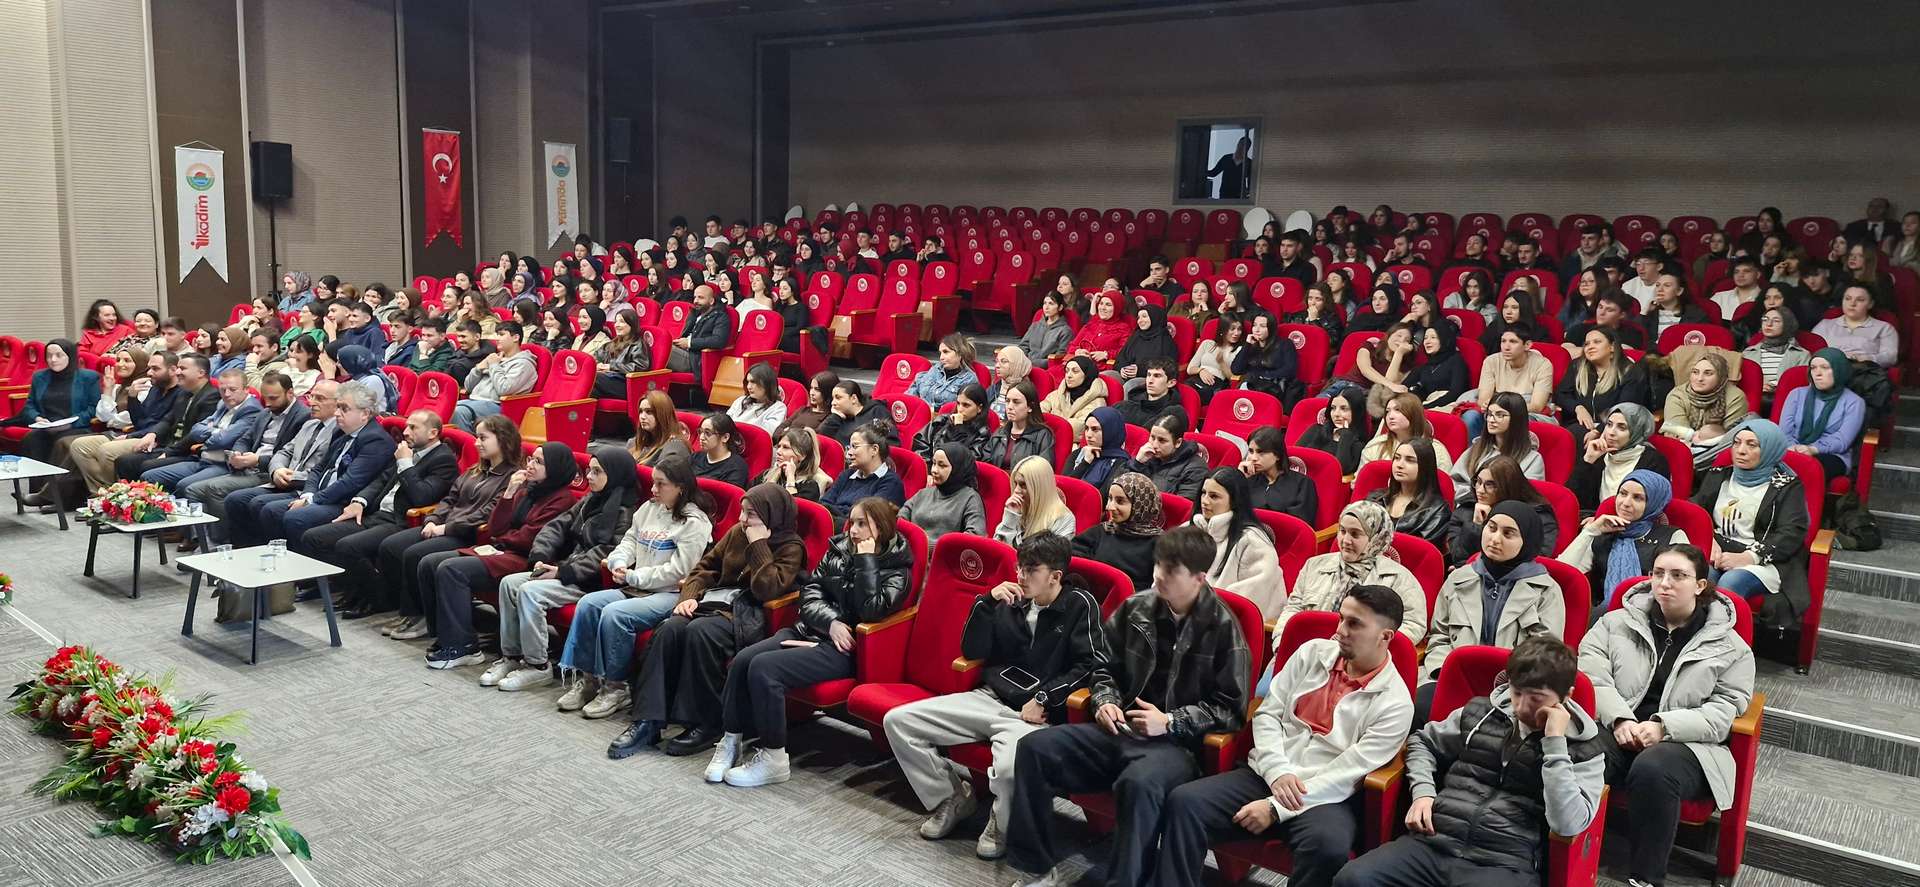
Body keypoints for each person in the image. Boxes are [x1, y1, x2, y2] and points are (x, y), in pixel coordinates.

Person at [1005, 526, 1252, 887]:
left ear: (1199, 578)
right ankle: (1037, 866)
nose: (1157, 576)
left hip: (1176, 748)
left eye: (1170, 571)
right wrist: (1104, 701)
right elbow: (1102, 666)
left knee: (1138, 784)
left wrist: (1169, 721)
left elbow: (1231, 709)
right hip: (1119, 730)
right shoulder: (1137, 607)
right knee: (1033, 748)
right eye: (1157, 566)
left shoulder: (1223, 628)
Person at [1156, 586, 1415, 887]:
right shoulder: (1312, 652)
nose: (1340, 631)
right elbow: (1267, 714)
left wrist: (1274, 809)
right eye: (1341, 618)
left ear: (1386, 637)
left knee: (1327, 846)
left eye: (1354, 624)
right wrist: (1277, 772)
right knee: (1184, 802)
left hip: (1325, 795)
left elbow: (1348, 772)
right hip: (1269, 770)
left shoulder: (1396, 703)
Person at [885, 530, 1106, 859]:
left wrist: (1045, 698)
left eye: (1031, 569)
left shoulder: (1078, 604)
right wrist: (986, 603)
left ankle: (1002, 824)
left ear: (1055, 576)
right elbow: (972, 649)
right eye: (1019, 567)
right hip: (988, 697)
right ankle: (952, 798)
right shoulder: (1008, 600)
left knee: (1007, 769)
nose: (1021, 576)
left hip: (1033, 716)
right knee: (898, 721)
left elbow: (1090, 665)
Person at [1335, 635, 1605, 887]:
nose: (1521, 707)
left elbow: (1568, 824)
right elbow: (1422, 742)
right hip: (1435, 841)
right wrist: (1423, 794)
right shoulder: (1480, 712)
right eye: (1517, 693)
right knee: (1353, 879)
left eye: (1536, 699)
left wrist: (1555, 742)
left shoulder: (1583, 748)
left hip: (1504, 862)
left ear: (1566, 696)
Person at [1578, 544, 1756, 887]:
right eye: (1658, 574)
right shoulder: (1614, 623)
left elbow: (1724, 711)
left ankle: (1645, 877)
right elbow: (1590, 675)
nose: (1665, 583)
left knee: (1654, 767)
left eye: (1678, 576)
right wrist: (1620, 719)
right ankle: (1561, 856)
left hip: (1686, 744)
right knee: (1576, 750)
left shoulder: (1732, 648)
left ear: (1701, 585)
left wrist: (1663, 727)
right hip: (1618, 726)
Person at [711, 496, 915, 787]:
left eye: (862, 525)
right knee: (744, 660)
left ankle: (773, 758)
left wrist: (865, 561)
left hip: (847, 649)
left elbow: (871, 609)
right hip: (812, 630)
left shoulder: (898, 569)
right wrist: (830, 622)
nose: (853, 531)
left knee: (764, 668)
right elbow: (810, 594)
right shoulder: (838, 549)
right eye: (851, 523)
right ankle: (730, 739)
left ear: (880, 529)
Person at [608, 483, 810, 759]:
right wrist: (688, 597)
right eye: (742, 512)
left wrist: (759, 544)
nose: (742, 520)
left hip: (748, 615)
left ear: (771, 516)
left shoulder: (790, 546)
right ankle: (648, 721)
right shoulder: (737, 533)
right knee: (670, 628)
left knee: (701, 632)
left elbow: (767, 589)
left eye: (751, 515)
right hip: (713, 604)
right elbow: (705, 568)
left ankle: (705, 723)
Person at [557, 455, 714, 718]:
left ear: (681, 488)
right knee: (588, 604)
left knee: (615, 614)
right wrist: (618, 562)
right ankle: (589, 680)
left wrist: (634, 576)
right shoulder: (648, 509)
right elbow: (629, 541)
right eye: (653, 483)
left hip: (670, 594)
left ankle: (617, 687)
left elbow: (680, 571)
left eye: (660, 484)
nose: (653, 490)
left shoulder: (695, 523)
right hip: (637, 586)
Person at [482, 446, 641, 692]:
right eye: (589, 470)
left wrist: (562, 572)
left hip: (588, 582)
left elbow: (605, 553)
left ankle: (537, 666)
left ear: (616, 475)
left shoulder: (625, 513)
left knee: (529, 592)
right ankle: (511, 657)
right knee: (509, 583)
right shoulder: (591, 499)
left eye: (596, 472)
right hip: (564, 569)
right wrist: (540, 556)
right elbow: (556, 526)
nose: (588, 476)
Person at [420, 441, 577, 668]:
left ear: (555, 468)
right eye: (531, 459)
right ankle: (445, 636)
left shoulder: (563, 500)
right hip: (504, 552)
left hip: (527, 560)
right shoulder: (526, 490)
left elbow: (530, 539)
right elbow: (495, 528)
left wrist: (502, 539)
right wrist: (509, 493)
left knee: (451, 569)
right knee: (430, 562)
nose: (530, 465)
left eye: (539, 462)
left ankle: (464, 647)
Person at [298, 408, 458, 618]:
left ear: (433, 433)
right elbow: (380, 481)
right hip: (375, 514)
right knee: (314, 538)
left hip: (401, 520)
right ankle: (354, 589)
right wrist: (359, 501)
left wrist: (405, 463)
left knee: (348, 546)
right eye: (407, 425)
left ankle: (377, 598)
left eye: (413, 427)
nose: (406, 432)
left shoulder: (442, 460)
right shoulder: (406, 450)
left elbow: (422, 497)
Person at [1416, 501, 1564, 723]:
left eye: (1508, 533)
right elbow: (1440, 636)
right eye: (1491, 527)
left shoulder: (1546, 591)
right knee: (1419, 707)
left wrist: (1509, 688)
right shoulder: (1458, 579)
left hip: (1512, 690)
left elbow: (1545, 656)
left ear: (1527, 541)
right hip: (1456, 680)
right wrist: (1443, 672)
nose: (1495, 539)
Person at [380, 415, 522, 640]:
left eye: (483, 438)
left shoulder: (512, 477)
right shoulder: (475, 470)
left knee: (415, 553)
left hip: (469, 535)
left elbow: (487, 515)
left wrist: (445, 528)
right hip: (444, 526)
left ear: (503, 440)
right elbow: (449, 499)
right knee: (392, 546)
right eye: (476, 437)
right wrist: (433, 520)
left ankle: (426, 617)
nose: (476, 443)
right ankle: (412, 613)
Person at [246, 384, 397, 554]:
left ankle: (306, 576)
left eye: (344, 408)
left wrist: (312, 500)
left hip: (345, 502)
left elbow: (350, 482)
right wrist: (308, 494)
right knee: (269, 510)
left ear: (365, 414)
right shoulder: (341, 432)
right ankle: (279, 561)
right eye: (338, 407)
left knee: (293, 517)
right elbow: (318, 469)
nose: (337, 413)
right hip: (321, 495)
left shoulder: (376, 440)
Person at [1691, 419, 1810, 632]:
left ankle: (1723, 648)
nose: (1741, 451)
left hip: (1761, 560)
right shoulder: (1720, 475)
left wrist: (1748, 557)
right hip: (1718, 551)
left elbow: (1791, 533)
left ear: (1770, 449)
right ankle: (1685, 640)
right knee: (1697, 577)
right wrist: (1707, 540)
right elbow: (1696, 511)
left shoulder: (1787, 487)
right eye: (1736, 443)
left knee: (1731, 581)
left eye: (1751, 445)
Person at [1277, 501, 1427, 647]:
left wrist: (1371, 651)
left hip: (1361, 662)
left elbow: (1413, 625)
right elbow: (1293, 609)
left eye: (1355, 534)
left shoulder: (1399, 578)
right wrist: (1281, 644)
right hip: (1304, 651)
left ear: (1376, 539)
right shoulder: (1314, 565)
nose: (1345, 540)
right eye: (1342, 531)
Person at [1562, 470, 1688, 609]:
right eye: (1622, 493)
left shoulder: (1672, 536)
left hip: (1653, 613)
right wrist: (1589, 532)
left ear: (1654, 503)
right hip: (1603, 616)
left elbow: (1681, 586)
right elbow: (1561, 573)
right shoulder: (1601, 533)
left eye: (1638, 497)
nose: (1625, 503)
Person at [138, 369, 264, 492]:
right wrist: (215, 431)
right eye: (222, 389)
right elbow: (196, 430)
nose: (226, 394)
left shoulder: (251, 410)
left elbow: (222, 440)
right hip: (203, 459)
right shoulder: (223, 403)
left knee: (184, 485)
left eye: (232, 389)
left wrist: (210, 431)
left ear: (246, 389)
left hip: (223, 465)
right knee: (150, 476)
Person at [103, 354, 220, 485]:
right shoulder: (185, 393)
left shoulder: (211, 396)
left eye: (183, 368)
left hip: (188, 452)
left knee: (147, 465)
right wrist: (153, 434)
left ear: (201, 373)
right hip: (170, 444)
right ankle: (131, 499)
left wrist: (169, 453)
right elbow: (168, 420)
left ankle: (153, 501)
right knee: (125, 461)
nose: (178, 372)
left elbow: (196, 435)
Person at [0, 339, 99, 476]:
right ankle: (36, 490)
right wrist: (36, 417)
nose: (53, 360)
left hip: (75, 428)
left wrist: (70, 424)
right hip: (46, 426)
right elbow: (29, 405)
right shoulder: (40, 376)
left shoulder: (88, 377)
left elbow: (93, 408)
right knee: (31, 440)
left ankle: (55, 491)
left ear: (70, 356)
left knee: (61, 442)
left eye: (59, 355)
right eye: (49, 355)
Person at [1191, 468, 1282, 617]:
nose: (1205, 501)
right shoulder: (1191, 529)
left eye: (1214, 496)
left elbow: (1248, 598)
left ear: (1234, 501)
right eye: (1203, 493)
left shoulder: (1253, 540)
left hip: (1228, 624)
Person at [1445, 454, 1558, 567]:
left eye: (1490, 485)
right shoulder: (1466, 509)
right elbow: (1459, 559)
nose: (1480, 490)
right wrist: (1477, 526)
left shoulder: (1538, 516)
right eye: (1478, 482)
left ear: (1508, 487)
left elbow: (1535, 561)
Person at [1779, 348, 1865, 482]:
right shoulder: (1796, 394)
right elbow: (1784, 431)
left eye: (1825, 367)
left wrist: (1813, 449)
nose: (1817, 373)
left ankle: (1804, 503)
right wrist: (1792, 448)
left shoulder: (1854, 402)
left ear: (1839, 370)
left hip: (1831, 455)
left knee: (1809, 469)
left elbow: (1842, 440)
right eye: (1813, 368)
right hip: (1791, 449)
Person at [1072, 471, 1163, 592]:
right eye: (1110, 499)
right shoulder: (1103, 530)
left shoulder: (1159, 544)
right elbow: (1072, 556)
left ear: (1140, 505)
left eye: (1120, 501)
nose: (1109, 507)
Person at [1567, 404, 1668, 512]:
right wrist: (1587, 460)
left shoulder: (1653, 462)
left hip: (1630, 525)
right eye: (1609, 425)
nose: (1611, 432)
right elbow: (1571, 500)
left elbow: (1648, 507)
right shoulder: (1600, 454)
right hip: (1592, 520)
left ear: (1636, 432)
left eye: (1622, 427)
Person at [1660, 353, 1750, 469]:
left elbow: (1730, 439)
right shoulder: (1677, 395)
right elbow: (1677, 435)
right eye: (1695, 372)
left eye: (1708, 373)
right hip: (1682, 455)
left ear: (1721, 376)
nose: (1699, 378)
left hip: (1718, 456)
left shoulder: (1735, 397)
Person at [452, 322, 538, 433]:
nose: (497, 339)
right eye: (497, 334)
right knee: (442, 408)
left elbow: (504, 389)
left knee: (458, 412)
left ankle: (469, 447)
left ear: (516, 337)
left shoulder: (524, 364)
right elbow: (468, 387)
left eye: (501, 334)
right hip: (474, 400)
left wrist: (493, 365)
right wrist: (478, 369)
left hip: (497, 405)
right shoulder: (495, 358)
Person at [1451, 391, 1544, 492]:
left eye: (1500, 415)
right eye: (1489, 414)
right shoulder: (1476, 449)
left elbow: (1528, 496)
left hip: (1506, 507)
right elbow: (1455, 482)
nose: (1491, 420)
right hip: (1470, 504)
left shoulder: (1532, 459)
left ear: (1516, 418)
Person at [1365, 438, 1451, 548]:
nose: (1399, 465)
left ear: (1425, 466)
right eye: (1397, 458)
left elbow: (1423, 553)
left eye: (1410, 460)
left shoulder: (1437, 511)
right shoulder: (1375, 498)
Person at [901, 441, 988, 544]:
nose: (934, 470)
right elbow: (900, 520)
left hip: (944, 557)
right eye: (934, 463)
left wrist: (930, 547)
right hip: (910, 552)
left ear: (957, 469)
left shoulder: (970, 498)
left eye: (942, 466)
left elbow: (974, 536)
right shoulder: (923, 493)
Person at [822, 422, 906, 521]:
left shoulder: (890, 483)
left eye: (855, 447)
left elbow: (866, 519)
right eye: (849, 447)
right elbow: (824, 505)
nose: (849, 453)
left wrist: (834, 513)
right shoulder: (847, 475)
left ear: (874, 450)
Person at [995, 455, 1079, 546]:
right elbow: (997, 552)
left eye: (1023, 485)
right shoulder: (1016, 509)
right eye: (1016, 484)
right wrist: (1010, 519)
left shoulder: (1063, 520)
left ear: (1039, 487)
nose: (1016, 490)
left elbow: (1050, 559)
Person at [1811, 284, 1899, 368]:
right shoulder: (1825, 325)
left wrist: (1865, 358)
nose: (1852, 303)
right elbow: (1811, 352)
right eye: (1848, 298)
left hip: (1865, 372)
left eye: (1860, 300)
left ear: (1870, 304)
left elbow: (1890, 357)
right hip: (1828, 372)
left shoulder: (1884, 328)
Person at [1362, 393, 1455, 472]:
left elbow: (1445, 486)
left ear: (1413, 414)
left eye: (1397, 410)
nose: (1390, 416)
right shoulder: (1376, 445)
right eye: (1387, 411)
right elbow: (1360, 483)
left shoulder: (1436, 450)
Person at [1239, 426, 1317, 518]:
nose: (1253, 458)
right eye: (1251, 452)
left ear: (1277, 455)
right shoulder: (1248, 479)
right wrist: (1239, 478)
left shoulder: (1302, 484)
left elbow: (1300, 524)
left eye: (1261, 452)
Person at [1131, 412, 1209, 503]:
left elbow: (1183, 508)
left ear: (1178, 442)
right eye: (1152, 437)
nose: (1155, 444)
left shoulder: (1196, 469)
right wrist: (1137, 463)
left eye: (1162, 440)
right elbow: (1119, 487)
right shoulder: (1146, 456)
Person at [1739, 306, 1812, 402]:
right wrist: (1758, 387)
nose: (1768, 324)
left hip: (1787, 401)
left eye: (1776, 321)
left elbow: (1804, 386)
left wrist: (1776, 388)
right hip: (1751, 401)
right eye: (1765, 320)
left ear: (1787, 325)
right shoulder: (1748, 353)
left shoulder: (1802, 355)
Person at [981, 380, 1056, 471]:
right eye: (1007, 401)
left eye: (1016, 402)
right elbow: (985, 466)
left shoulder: (1042, 435)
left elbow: (1043, 472)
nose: (1009, 407)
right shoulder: (1000, 433)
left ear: (1030, 407)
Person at [1295, 388, 1369, 475]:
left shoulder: (1358, 445)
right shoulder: (1315, 430)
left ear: (1356, 412)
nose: (1336, 414)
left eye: (1344, 409)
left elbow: (1340, 470)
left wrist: (1345, 435)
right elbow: (1294, 458)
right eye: (1333, 408)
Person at [1232, 311, 1301, 404]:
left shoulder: (1285, 344)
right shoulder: (1251, 346)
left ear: (1271, 328)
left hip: (1273, 390)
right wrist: (1247, 345)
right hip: (1251, 388)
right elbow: (1236, 370)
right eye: (1255, 325)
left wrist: (1263, 376)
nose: (1257, 330)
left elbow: (1290, 370)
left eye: (1262, 326)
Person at [1064, 405, 1132, 490]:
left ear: (1110, 431)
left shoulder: (1121, 463)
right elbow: (1063, 487)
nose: (1088, 435)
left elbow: (1103, 497)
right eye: (1086, 428)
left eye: (1095, 429)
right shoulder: (1078, 453)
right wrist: (1085, 462)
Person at [1040, 356, 1108, 441]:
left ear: (1087, 375)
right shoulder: (1058, 393)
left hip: (1076, 446)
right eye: (1067, 371)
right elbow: (1038, 413)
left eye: (1075, 371)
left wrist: (1047, 423)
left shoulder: (1098, 402)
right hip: (1047, 439)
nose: (1069, 375)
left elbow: (1078, 428)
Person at [669, 284, 733, 374]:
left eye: (700, 298)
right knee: (658, 344)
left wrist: (689, 343)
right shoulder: (694, 314)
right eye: (695, 297)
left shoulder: (720, 317)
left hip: (696, 360)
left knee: (663, 348)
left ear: (711, 301)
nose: (696, 301)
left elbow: (718, 340)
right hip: (684, 352)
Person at [760, 426, 834, 503]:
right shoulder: (766, 474)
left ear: (802, 455)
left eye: (785, 447)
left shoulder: (810, 487)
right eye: (779, 446)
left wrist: (790, 478)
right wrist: (773, 478)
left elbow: (793, 510)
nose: (778, 451)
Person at [906, 333, 980, 410]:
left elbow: (964, 410)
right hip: (919, 414)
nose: (941, 357)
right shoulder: (936, 369)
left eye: (946, 352)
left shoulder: (969, 379)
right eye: (940, 353)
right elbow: (915, 388)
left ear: (960, 354)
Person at [1068, 292, 1134, 370]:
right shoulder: (1091, 324)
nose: (1103, 308)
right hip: (1078, 365)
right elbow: (1072, 346)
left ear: (1117, 308)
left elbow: (1125, 353)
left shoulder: (1123, 329)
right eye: (1101, 303)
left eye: (1108, 305)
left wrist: (1106, 354)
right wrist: (1078, 351)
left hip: (1101, 369)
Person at [819, 379, 892, 447]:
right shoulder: (838, 418)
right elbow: (820, 440)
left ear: (854, 398)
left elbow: (891, 442)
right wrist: (835, 416)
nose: (833, 403)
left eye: (838, 398)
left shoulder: (876, 411)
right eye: (833, 398)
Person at [628, 390, 690, 467]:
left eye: (649, 412)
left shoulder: (675, 447)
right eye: (640, 411)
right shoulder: (634, 443)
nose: (642, 417)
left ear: (662, 415)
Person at [691, 413, 750, 489]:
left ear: (725, 437)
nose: (701, 437)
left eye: (707, 433)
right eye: (700, 432)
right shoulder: (695, 457)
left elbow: (729, 496)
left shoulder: (737, 467)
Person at [773, 370, 838, 440]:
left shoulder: (829, 418)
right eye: (811, 388)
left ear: (828, 392)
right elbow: (777, 431)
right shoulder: (803, 410)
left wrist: (787, 431)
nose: (812, 393)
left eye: (817, 389)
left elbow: (810, 440)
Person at [1019, 290, 1075, 365]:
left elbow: (1060, 357)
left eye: (1051, 303)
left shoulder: (1065, 331)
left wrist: (1032, 363)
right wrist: (1023, 360)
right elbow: (1023, 346)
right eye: (1045, 303)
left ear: (1060, 307)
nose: (1046, 307)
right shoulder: (1035, 326)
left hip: (1046, 368)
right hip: (1026, 365)